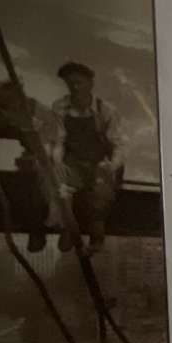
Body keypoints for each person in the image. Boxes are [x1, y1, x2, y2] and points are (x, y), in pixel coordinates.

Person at [51, 61, 123, 252]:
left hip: (100, 163)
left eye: (79, 82)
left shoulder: (105, 110)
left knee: (99, 196)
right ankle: (68, 228)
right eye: (70, 83)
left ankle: (96, 239)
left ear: (90, 83)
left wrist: (112, 165)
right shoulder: (60, 107)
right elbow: (59, 141)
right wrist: (57, 162)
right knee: (59, 184)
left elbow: (117, 144)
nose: (74, 87)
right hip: (73, 162)